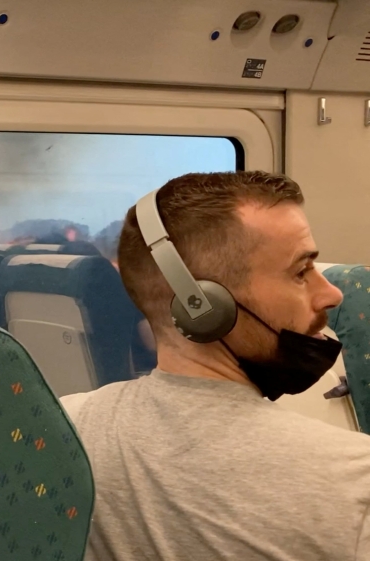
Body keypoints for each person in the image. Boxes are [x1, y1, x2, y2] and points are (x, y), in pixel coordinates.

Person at [61, 171, 370, 560]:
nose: (332, 293)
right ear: (202, 306)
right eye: (300, 272)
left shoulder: (65, 427)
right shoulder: (354, 478)